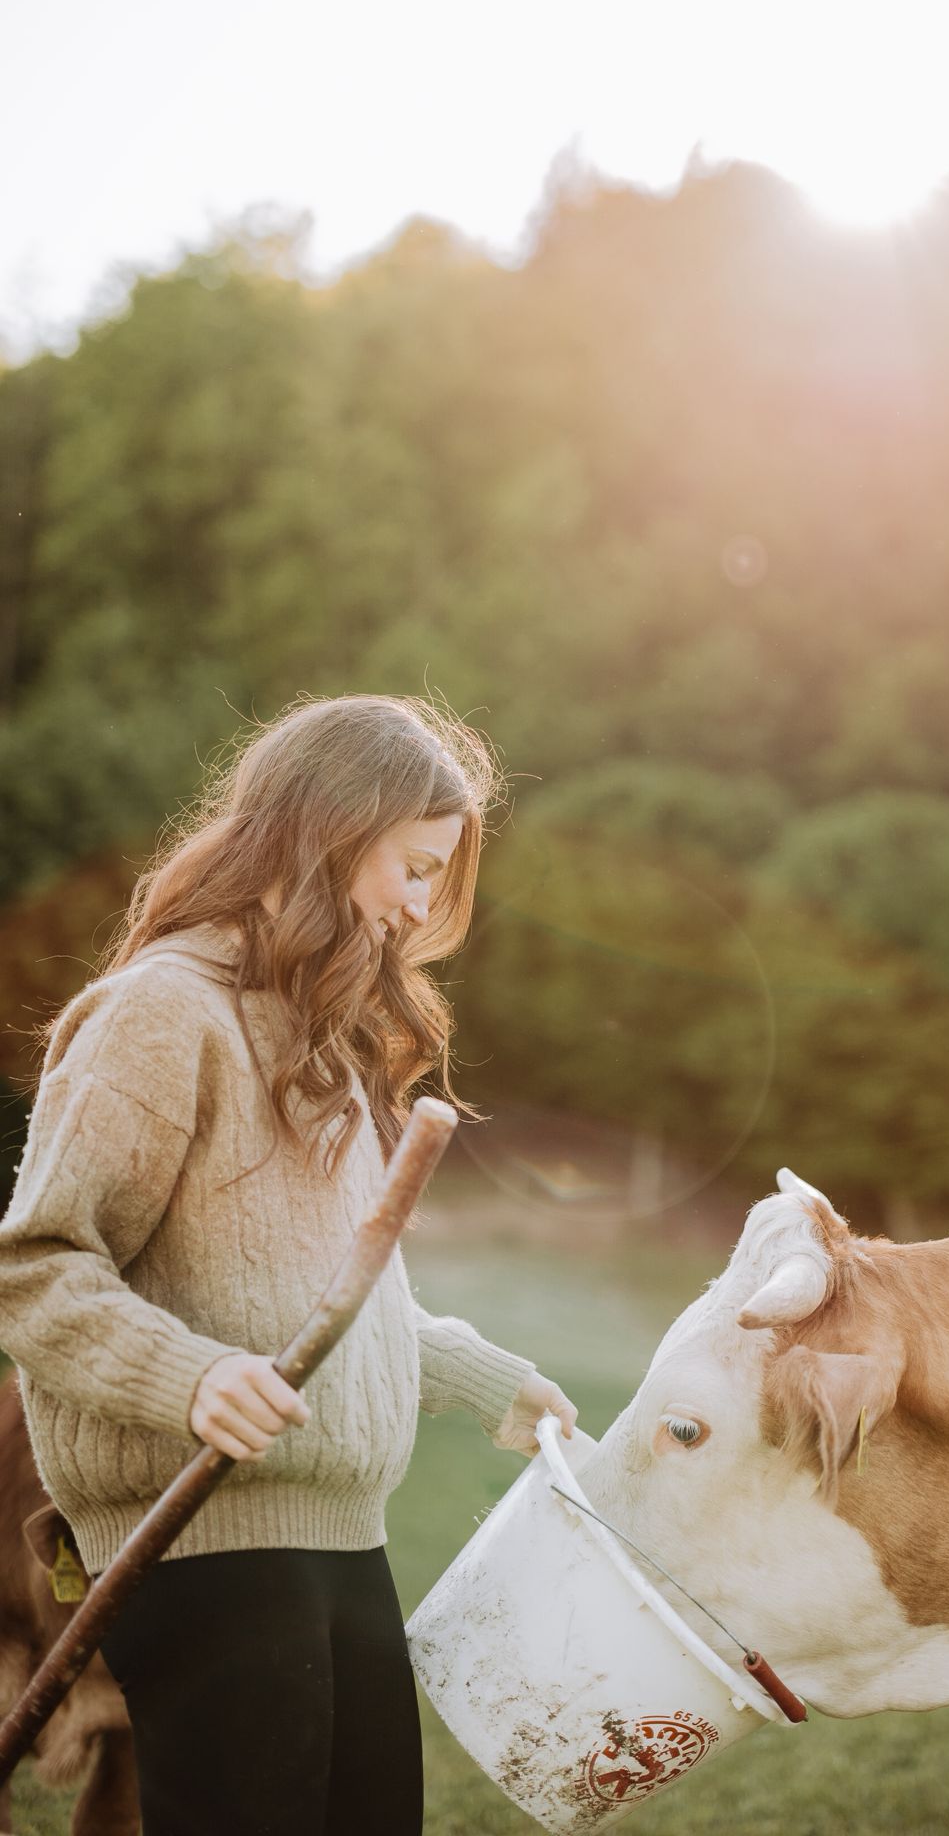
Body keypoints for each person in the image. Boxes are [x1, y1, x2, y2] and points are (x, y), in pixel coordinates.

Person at [0, 693, 577, 1836]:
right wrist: (191, 1376)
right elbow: (35, 1266)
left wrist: (477, 1377)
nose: (419, 907)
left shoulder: (323, 1035)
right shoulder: (162, 1012)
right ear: (326, 827)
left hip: (340, 1536)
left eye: (435, 877)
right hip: (201, 1538)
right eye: (411, 867)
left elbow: (317, 1306)